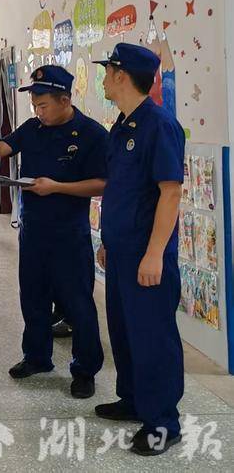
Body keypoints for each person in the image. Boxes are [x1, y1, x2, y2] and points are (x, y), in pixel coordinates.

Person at [0, 65, 105, 399]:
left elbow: (102, 183)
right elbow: (5, 145)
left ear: (65, 100)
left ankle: (85, 370)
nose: (38, 112)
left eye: (43, 105)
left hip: (69, 234)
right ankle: (36, 357)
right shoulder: (33, 128)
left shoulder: (91, 134)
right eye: (34, 106)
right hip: (33, 231)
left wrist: (57, 187)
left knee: (77, 303)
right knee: (33, 297)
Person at [93, 42, 186, 456]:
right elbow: (121, 190)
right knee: (125, 331)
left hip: (148, 254)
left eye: (107, 71)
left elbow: (170, 192)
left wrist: (154, 254)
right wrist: (108, 241)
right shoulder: (123, 125)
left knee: (152, 337)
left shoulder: (158, 125)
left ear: (121, 75)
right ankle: (133, 400)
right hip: (121, 250)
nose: (103, 79)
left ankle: (163, 423)